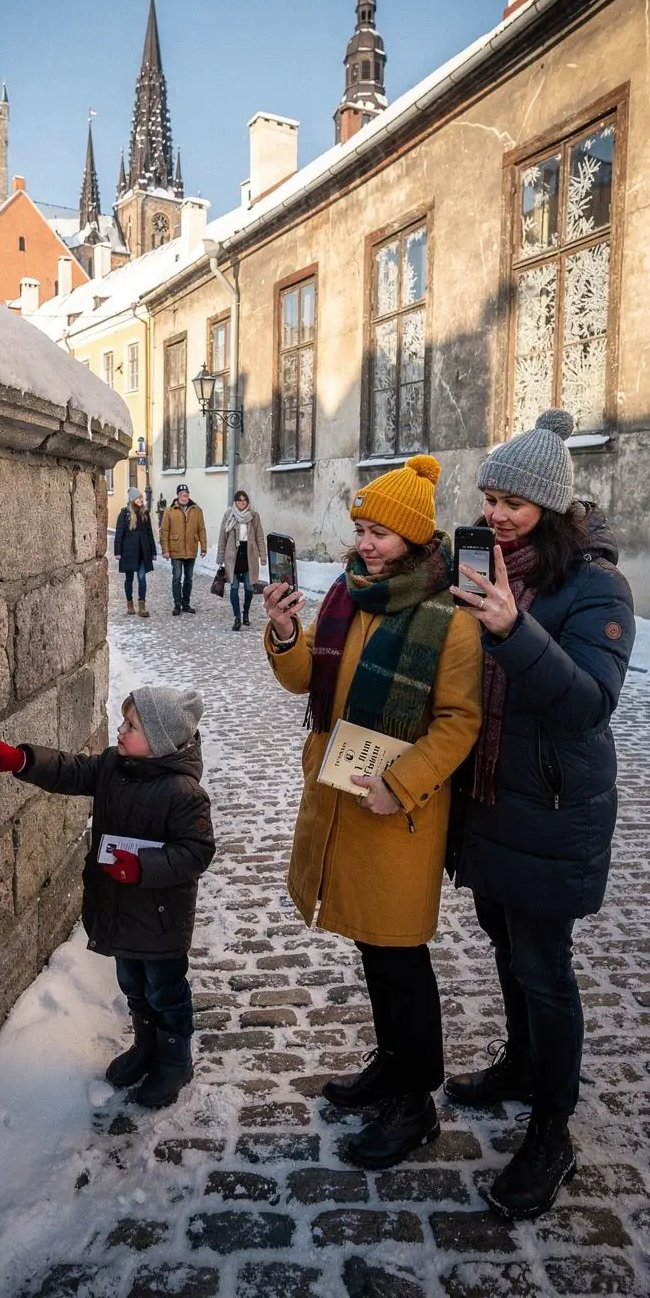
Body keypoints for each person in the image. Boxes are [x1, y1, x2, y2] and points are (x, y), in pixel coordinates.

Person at [263, 456, 482, 1168]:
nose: (364, 543)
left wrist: (401, 782)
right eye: (360, 529)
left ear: (413, 539)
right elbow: (308, 680)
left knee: (400, 955)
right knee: (371, 947)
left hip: (397, 815)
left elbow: (458, 721)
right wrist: (286, 634)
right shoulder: (348, 596)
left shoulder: (450, 620)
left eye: (379, 533)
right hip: (340, 796)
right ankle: (391, 1065)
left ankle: (415, 1102)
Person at [443, 409, 635, 1220]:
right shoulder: (491, 570)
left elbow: (589, 703)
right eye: (490, 498)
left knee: (546, 970)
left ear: (551, 507)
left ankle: (552, 1128)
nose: (495, 514)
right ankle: (520, 1064)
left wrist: (512, 629)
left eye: (512, 503)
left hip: (553, 809)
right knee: (506, 946)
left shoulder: (597, 587)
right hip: (491, 799)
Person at [0, 684, 214, 1109]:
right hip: (121, 911)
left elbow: (197, 852)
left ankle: (175, 1060)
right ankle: (145, 1045)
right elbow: (71, 771)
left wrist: (142, 866)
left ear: (159, 741)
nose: (120, 730)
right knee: (132, 984)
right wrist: (24, 760)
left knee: (165, 991)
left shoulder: (183, 793)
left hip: (160, 919)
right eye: (124, 722)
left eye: (131, 726)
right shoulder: (112, 767)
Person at [216, 489, 266, 631]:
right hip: (233, 556)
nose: (242, 503)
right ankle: (237, 617)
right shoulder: (229, 515)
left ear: (247, 502)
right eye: (239, 500)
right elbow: (222, 537)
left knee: (249, 588)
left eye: (244, 500)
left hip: (249, 555)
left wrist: (262, 555)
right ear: (235, 502)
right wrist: (220, 556)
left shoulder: (254, 516)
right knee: (234, 587)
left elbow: (260, 537)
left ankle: (246, 613)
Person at [160, 483, 208, 616]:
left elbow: (201, 529)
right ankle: (177, 604)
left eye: (186, 494)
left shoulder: (196, 510)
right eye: (181, 494)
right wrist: (165, 550)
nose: (184, 496)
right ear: (177, 496)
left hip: (191, 549)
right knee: (177, 577)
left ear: (188, 495)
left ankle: (186, 603)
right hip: (175, 549)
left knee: (189, 578)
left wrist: (203, 547)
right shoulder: (170, 511)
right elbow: (164, 531)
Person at [114, 486, 157, 617]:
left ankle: (142, 607)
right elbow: (119, 533)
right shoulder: (124, 514)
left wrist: (153, 551)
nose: (141, 500)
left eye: (141, 498)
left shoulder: (145, 514)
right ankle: (130, 604)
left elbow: (149, 533)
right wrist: (117, 551)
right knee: (129, 579)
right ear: (133, 499)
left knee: (142, 578)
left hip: (143, 552)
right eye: (138, 498)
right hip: (128, 552)